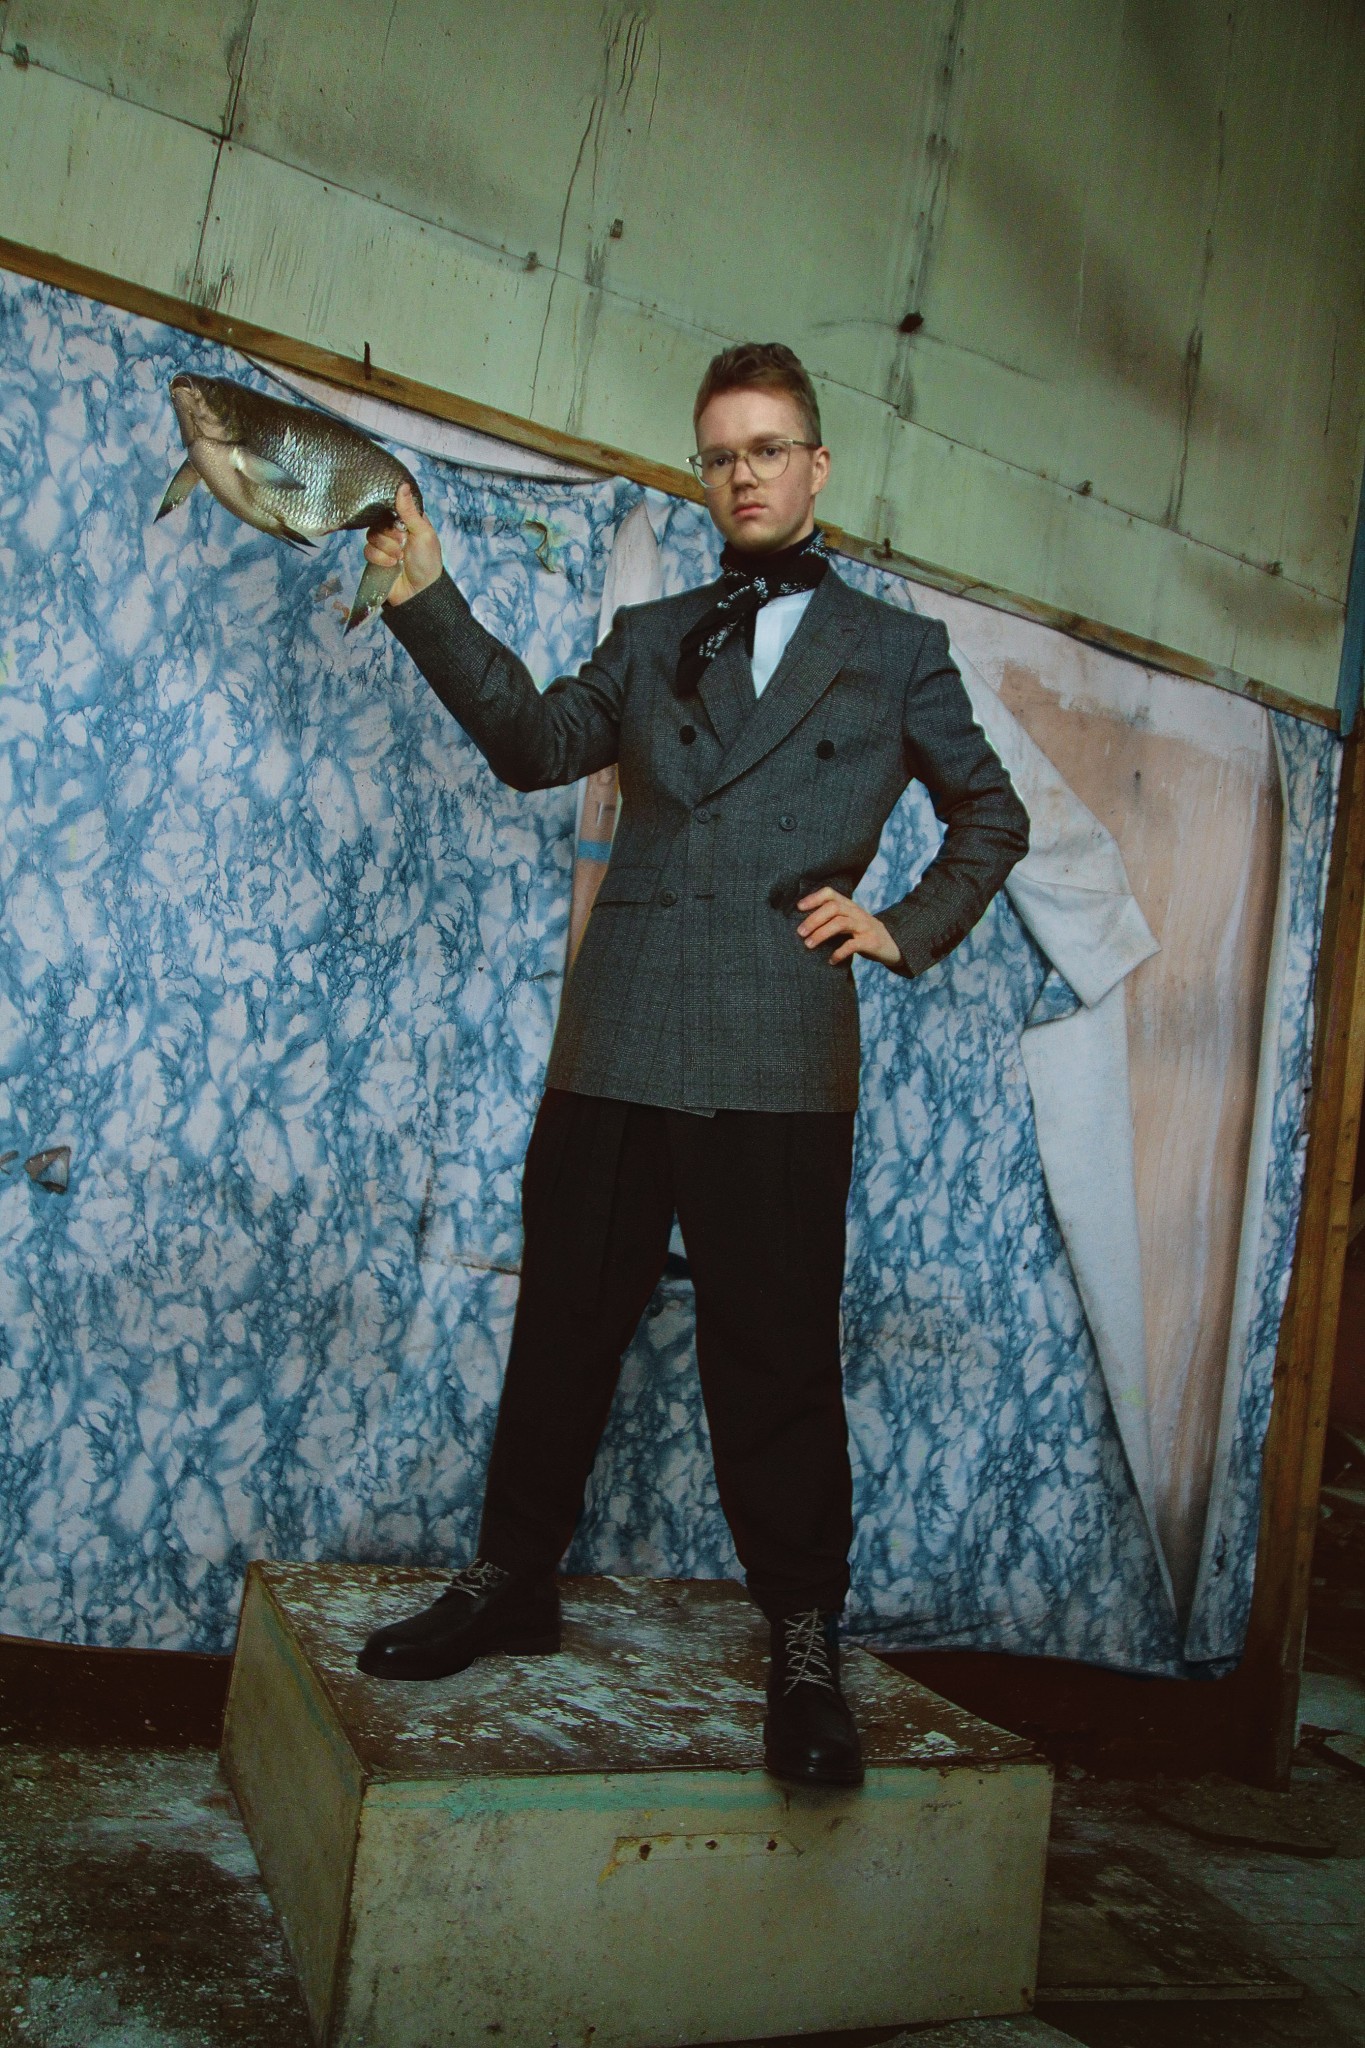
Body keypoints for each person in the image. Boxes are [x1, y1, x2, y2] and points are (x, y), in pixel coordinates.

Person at [355, 342, 1029, 1787]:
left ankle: (803, 1638)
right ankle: (511, 1579)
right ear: (701, 473)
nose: (743, 475)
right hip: (617, 1033)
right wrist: (421, 588)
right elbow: (535, 741)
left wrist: (901, 929)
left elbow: (991, 816)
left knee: (773, 1354)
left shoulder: (898, 650)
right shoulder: (653, 630)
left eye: (768, 449)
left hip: (777, 1050)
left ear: (817, 465)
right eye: (720, 455)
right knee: (564, 1323)